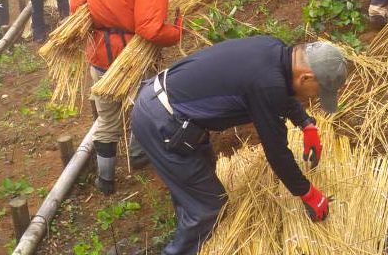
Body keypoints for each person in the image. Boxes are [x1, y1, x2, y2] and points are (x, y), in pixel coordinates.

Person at [131, 37, 347, 255]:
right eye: (319, 91)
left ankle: (188, 223)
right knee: (209, 206)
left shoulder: (275, 50)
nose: (316, 97)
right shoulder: (268, 84)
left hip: (165, 100)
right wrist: (308, 193)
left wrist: (306, 124)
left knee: (200, 179)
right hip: (162, 121)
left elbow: (281, 91)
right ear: (306, 77)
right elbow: (277, 153)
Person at [70, 0, 183, 195]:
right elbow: (150, 29)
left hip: (99, 55)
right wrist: (178, 31)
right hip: (134, 56)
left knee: (106, 117)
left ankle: (105, 180)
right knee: (143, 107)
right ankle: (138, 154)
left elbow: (76, 8)